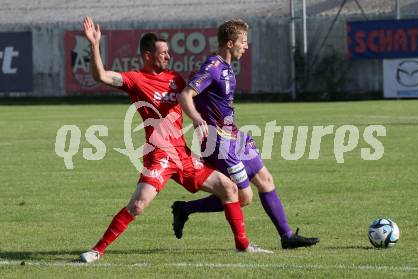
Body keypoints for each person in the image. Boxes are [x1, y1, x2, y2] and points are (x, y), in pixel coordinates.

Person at [79, 16, 272, 263]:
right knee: (137, 205)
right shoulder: (136, 79)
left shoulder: (175, 79)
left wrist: (200, 120)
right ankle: (97, 250)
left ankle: (243, 246)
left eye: (169, 52)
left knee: (229, 187)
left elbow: (193, 98)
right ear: (148, 55)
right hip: (160, 156)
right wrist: (94, 45)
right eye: (163, 53)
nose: (168, 57)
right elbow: (102, 76)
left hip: (182, 155)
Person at [173, 19, 320, 249]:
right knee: (244, 198)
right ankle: (185, 209)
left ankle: (287, 237)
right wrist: (197, 119)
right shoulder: (213, 67)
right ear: (230, 43)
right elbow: (185, 95)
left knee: (266, 180)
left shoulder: (227, 67)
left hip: (235, 137)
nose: (247, 46)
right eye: (243, 42)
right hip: (220, 142)